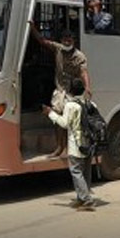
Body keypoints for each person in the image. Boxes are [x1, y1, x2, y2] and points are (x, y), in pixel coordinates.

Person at [28, 21, 91, 158]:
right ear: (61, 40)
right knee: (57, 119)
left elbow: (84, 72)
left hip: (72, 92)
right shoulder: (58, 49)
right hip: (60, 91)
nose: (67, 42)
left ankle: (71, 148)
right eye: (65, 39)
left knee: (72, 121)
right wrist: (33, 28)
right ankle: (59, 147)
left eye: (70, 39)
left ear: (73, 40)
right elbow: (42, 41)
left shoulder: (79, 56)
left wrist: (87, 87)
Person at [42, 78, 96, 211]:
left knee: (76, 171)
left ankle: (87, 200)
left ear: (70, 91)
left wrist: (51, 113)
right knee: (86, 172)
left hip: (76, 145)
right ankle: (81, 197)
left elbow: (64, 123)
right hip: (89, 144)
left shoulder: (70, 105)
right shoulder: (91, 104)